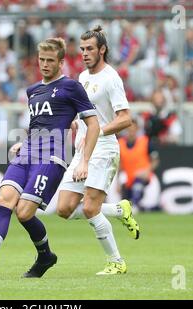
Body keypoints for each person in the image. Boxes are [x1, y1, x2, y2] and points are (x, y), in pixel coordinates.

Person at [0, 38, 100, 278]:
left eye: (50, 60)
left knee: (24, 213)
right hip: (27, 153)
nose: (44, 65)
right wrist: (24, 142)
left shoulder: (71, 87)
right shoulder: (32, 91)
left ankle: (45, 255)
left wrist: (84, 160)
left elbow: (94, 124)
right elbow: (39, 124)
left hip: (51, 158)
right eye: (41, 60)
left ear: (60, 62)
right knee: (4, 200)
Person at [56, 26, 140, 275]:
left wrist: (98, 131)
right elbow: (83, 112)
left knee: (91, 208)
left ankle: (116, 261)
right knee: (64, 209)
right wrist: (74, 122)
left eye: (89, 48)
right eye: (82, 49)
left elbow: (125, 118)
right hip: (83, 149)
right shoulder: (82, 78)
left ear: (102, 49)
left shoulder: (111, 78)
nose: (84, 53)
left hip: (103, 148)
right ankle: (118, 210)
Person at [119, 118, 159, 212]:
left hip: (142, 176)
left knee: (138, 183)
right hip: (127, 176)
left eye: (133, 130)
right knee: (122, 179)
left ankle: (134, 205)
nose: (131, 132)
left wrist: (147, 171)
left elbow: (155, 160)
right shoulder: (120, 143)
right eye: (129, 130)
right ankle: (126, 204)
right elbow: (118, 163)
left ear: (137, 129)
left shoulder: (145, 141)